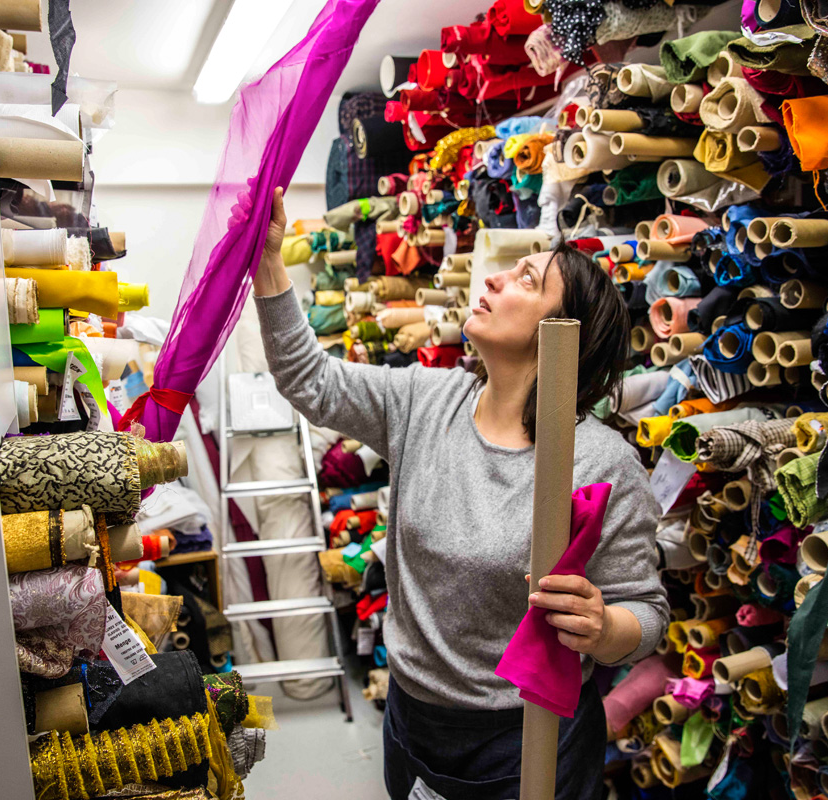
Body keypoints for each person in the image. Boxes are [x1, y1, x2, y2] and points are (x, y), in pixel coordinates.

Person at [252, 188, 667, 800]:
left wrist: (603, 628)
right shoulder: (424, 400)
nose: (495, 279)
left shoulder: (601, 462)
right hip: (412, 718)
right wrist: (267, 261)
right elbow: (308, 379)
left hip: (526, 734)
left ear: (562, 330)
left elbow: (648, 614)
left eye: (526, 277)